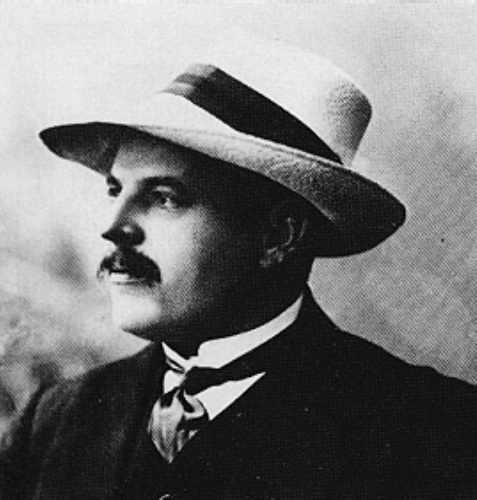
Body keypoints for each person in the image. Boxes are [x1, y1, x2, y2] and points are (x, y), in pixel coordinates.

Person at [2, 41, 477, 499]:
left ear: (279, 235)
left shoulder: (435, 431)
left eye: (164, 198)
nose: (113, 227)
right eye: (114, 190)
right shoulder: (54, 420)